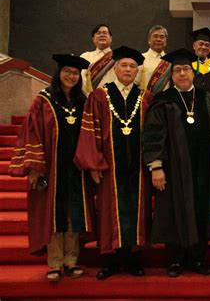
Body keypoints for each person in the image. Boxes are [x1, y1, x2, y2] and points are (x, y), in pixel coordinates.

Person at [9, 54, 93, 281]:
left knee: (74, 214)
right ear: (59, 74)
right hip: (52, 169)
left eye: (75, 73)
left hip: (77, 169)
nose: (71, 76)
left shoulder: (83, 102)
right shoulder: (43, 100)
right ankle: (55, 263)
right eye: (67, 72)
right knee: (54, 215)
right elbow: (32, 133)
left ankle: (71, 261)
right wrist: (35, 167)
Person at [74, 46, 153, 280]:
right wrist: (94, 164)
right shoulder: (100, 95)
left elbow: (153, 133)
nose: (128, 70)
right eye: (124, 65)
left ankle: (133, 259)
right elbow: (90, 131)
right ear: (115, 68)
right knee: (109, 210)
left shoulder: (145, 97)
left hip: (138, 168)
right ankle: (110, 260)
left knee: (138, 210)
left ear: (138, 71)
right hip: (109, 166)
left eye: (132, 67)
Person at [142, 48, 210, 278]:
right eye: (177, 71)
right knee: (174, 211)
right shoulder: (163, 101)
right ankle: (176, 259)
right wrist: (156, 166)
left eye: (186, 69)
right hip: (174, 170)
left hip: (204, 168)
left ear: (193, 72)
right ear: (171, 75)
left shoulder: (208, 99)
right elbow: (153, 135)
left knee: (200, 209)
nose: (182, 74)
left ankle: (198, 258)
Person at [80, 24, 116, 95]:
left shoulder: (118, 57)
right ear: (93, 39)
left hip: (112, 98)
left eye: (105, 33)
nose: (102, 35)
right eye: (98, 33)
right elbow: (81, 79)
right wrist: (89, 96)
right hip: (89, 97)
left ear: (111, 38)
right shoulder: (85, 56)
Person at [138, 25, 171, 95]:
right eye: (155, 36)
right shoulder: (140, 58)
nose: (158, 39)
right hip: (145, 102)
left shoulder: (171, 60)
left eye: (162, 37)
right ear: (149, 40)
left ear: (166, 41)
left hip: (165, 102)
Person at [191, 27, 210, 96]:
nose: (204, 47)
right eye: (201, 44)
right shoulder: (188, 65)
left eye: (207, 45)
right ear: (194, 46)